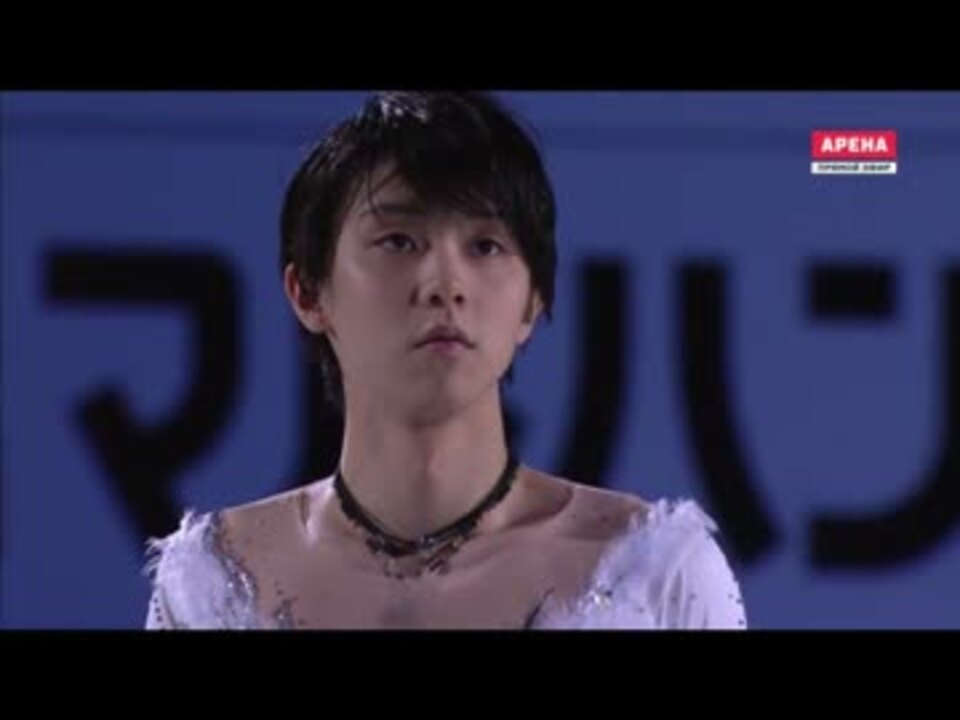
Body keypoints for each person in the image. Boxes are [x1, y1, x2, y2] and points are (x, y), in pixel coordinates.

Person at [143, 91, 747, 630]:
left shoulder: (653, 572)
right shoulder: (211, 582)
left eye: (485, 245)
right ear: (308, 292)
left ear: (532, 302)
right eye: (399, 241)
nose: (445, 285)